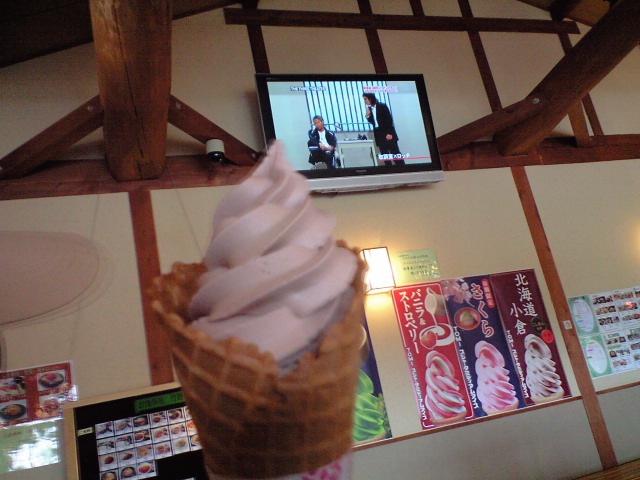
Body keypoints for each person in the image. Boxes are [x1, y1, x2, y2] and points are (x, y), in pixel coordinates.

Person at [362, 92, 405, 166]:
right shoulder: (370, 109)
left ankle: (403, 169)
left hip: (387, 133)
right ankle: (389, 171)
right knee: (385, 156)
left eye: (365, 99)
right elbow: (374, 122)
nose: (365, 101)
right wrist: (367, 116)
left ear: (370, 99)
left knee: (395, 154)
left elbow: (389, 120)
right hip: (379, 135)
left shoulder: (382, 106)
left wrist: (390, 133)